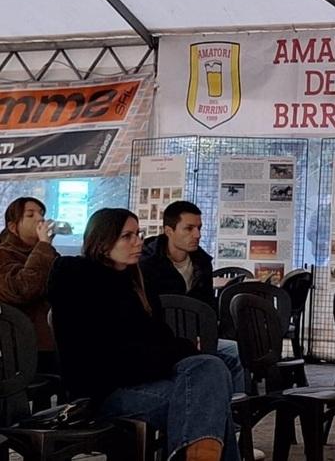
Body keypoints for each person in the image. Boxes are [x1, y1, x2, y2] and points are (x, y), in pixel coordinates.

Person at [48, 208, 238, 461]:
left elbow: (159, 339)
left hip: (146, 380)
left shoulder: (136, 281)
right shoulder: (78, 277)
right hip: (105, 392)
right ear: (103, 242)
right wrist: (172, 354)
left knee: (209, 367)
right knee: (207, 400)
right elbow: (116, 357)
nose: (138, 241)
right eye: (127, 236)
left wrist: (177, 352)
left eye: (137, 234)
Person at [140, 201, 246, 394]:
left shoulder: (202, 262)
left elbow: (207, 306)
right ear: (169, 231)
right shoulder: (146, 265)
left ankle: (234, 414)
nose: (197, 234)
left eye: (199, 228)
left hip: (198, 336)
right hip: (161, 340)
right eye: (189, 228)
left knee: (234, 351)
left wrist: (204, 335)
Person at [0, 197, 59, 373]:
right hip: (22, 347)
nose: (40, 219)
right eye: (30, 214)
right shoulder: (3, 255)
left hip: (54, 341)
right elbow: (24, 288)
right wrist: (43, 245)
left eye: (41, 213)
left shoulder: (47, 252)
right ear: (13, 227)